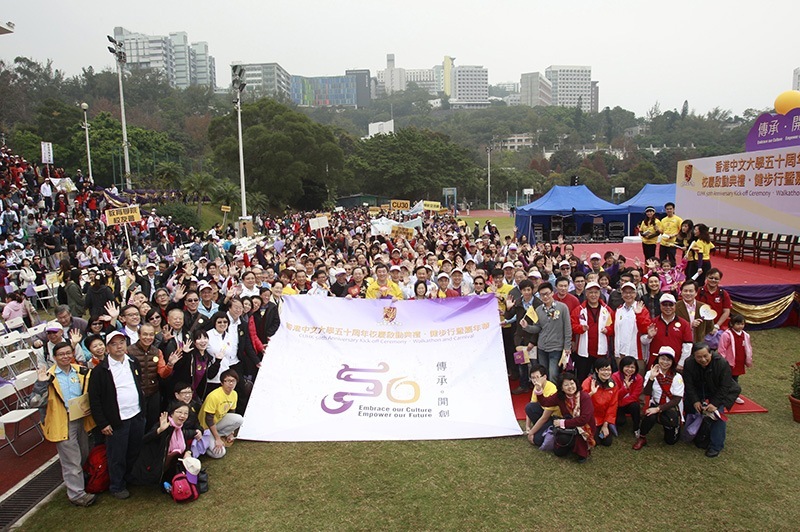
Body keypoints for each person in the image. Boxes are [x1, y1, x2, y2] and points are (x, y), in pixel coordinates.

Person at [32, 341, 97, 507]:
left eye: (68, 353)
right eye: (61, 354)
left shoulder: (81, 371)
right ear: (54, 357)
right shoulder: (48, 376)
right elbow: (35, 402)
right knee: (71, 460)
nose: (65, 356)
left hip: (81, 418)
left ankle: (82, 482)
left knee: (83, 452)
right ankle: (77, 495)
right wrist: (41, 384)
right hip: (63, 421)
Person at [87, 331, 146, 499]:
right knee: (117, 455)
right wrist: (103, 423)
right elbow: (95, 400)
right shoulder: (100, 371)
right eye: (114, 344)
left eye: (121, 342)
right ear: (107, 348)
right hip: (117, 421)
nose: (119, 346)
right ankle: (117, 485)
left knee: (133, 450)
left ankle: (130, 477)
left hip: (136, 415)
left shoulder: (133, 362)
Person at [682, 342, 741, 458]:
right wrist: (695, 400)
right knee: (690, 406)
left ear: (711, 353)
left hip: (718, 391)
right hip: (700, 390)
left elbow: (725, 386)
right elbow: (689, 385)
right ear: (693, 356)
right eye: (699, 357)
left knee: (717, 415)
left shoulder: (722, 363)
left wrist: (715, 403)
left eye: (705, 356)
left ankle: (716, 446)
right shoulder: (688, 364)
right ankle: (692, 433)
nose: (703, 360)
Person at [130, 402, 198, 487]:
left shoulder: (180, 427)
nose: (182, 416)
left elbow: (184, 443)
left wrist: (188, 452)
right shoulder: (164, 424)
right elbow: (145, 440)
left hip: (169, 466)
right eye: (179, 412)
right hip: (153, 467)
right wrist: (159, 430)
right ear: (172, 413)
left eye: (185, 413)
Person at [533, 372, 596, 463]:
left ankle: (581, 447)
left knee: (580, 455)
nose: (570, 387)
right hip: (570, 427)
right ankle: (571, 444)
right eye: (566, 385)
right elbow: (545, 402)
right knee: (559, 452)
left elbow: (584, 419)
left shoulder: (584, 397)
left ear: (576, 384)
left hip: (585, 428)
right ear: (561, 388)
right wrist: (539, 389)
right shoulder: (560, 396)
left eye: (572, 383)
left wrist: (562, 423)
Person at [633, 346, 684, 450]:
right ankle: (642, 437)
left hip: (670, 406)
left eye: (668, 360)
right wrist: (651, 378)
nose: (665, 362)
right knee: (649, 415)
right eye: (662, 359)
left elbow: (676, 400)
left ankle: (669, 426)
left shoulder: (677, 376)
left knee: (670, 441)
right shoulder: (650, 373)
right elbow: (647, 392)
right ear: (658, 359)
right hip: (656, 403)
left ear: (672, 362)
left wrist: (658, 409)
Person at [521, 282, 571, 383]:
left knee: (553, 375)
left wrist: (567, 347)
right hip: (542, 347)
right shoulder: (539, 309)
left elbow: (567, 329)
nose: (545, 296)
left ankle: (553, 396)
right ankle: (544, 395)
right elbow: (538, 328)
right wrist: (527, 327)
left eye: (547, 293)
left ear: (552, 293)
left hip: (556, 347)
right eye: (542, 294)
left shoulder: (562, 308)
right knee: (543, 375)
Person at [570, 281, 614, 384]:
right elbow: (573, 326)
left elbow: (613, 327)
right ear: (586, 293)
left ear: (599, 294)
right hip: (583, 351)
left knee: (601, 378)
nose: (593, 295)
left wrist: (608, 330)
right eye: (590, 292)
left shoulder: (607, 310)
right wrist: (581, 328)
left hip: (600, 352)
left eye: (596, 292)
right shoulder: (578, 310)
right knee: (581, 377)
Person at [199, 369, 244, 459]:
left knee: (239, 419)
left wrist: (231, 433)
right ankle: (207, 443)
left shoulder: (234, 394)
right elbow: (208, 419)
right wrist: (217, 439)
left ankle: (220, 435)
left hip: (217, 423)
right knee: (219, 453)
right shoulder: (214, 396)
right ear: (222, 382)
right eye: (227, 381)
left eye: (233, 381)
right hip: (206, 428)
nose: (231, 384)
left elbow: (232, 412)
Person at [642, 293, 693, 370]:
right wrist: (649, 336)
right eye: (665, 305)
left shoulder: (684, 324)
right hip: (655, 365)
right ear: (660, 306)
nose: (668, 307)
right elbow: (643, 341)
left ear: (675, 306)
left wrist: (681, 364)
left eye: (671, 305)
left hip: (675, 365)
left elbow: (688, 346)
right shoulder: (653, 322)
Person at [582, 358, 618, 447]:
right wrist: (591, 393)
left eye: (608, 370)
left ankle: (605, 428)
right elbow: (581, 401)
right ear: (597, 370)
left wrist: (605, 425)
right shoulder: (588, 382)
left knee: (607, 442)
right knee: (595, 442)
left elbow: (612, 406)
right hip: (590, 418)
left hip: (603, 419)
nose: (606, 373)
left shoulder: (613, 385)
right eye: (603, 370)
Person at [716, 314, 752, 405]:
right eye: (738, 324)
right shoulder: (727, 335)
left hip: (739, 361)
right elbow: (722, 348)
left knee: (735, 378)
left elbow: (748, 348)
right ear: (731, 324)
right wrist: (723, 361)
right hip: (728, 362)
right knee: (727, 379)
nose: (740, 326)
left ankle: (734, 395)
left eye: (742, 324)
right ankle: (725, 394)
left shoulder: (746, 335)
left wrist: (748, 359)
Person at [523, 363, 558, 447]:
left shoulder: (552, 389)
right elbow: (531, 405)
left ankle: (545, 430)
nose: (535, 380)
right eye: (532, 378)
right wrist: (527, 427)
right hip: (544, 414)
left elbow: (545, 417)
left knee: (536, 440)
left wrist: (531, 433)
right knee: (529, 407)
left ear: (545, 377)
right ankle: (539, 429)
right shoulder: (537, 387)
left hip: (553, 418)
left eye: (537, 377)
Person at [612, 356, 644, 436]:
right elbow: (615, 395)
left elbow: (635, 396)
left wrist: (621, 402)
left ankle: (636, 428)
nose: (629, 369)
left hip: (628, 403)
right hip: (617, 404)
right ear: (622, 367)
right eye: (627, 366)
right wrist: (625, 388)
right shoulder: (615, 377)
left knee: (635, 406)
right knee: (620, 422)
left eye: (632, 367)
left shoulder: (639, 378)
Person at [676, 280, 714, 344]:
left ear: (696, 293)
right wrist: (689, 325)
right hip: (680, 342)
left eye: (691, 291)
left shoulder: (704, 307)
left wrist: (701, 335)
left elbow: (710, 327)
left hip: (698, 343)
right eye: (685, 291)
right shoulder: (675, 307)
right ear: (681, 292)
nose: (688, 293)